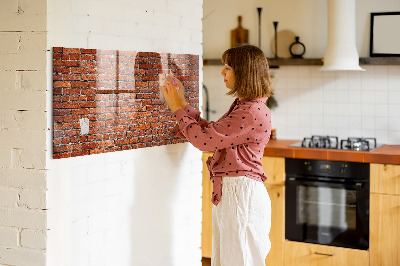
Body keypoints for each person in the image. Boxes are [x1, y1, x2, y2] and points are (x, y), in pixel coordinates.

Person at [161, 44, 273, 266]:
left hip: (241, 195)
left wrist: (176, 109)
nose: (222, 72)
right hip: (236, 193)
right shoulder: (246, 106)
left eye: (228, 67)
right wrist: (183, 104)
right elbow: (212, 133)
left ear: (244, 72)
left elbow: (204, 141)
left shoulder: (250, 111)